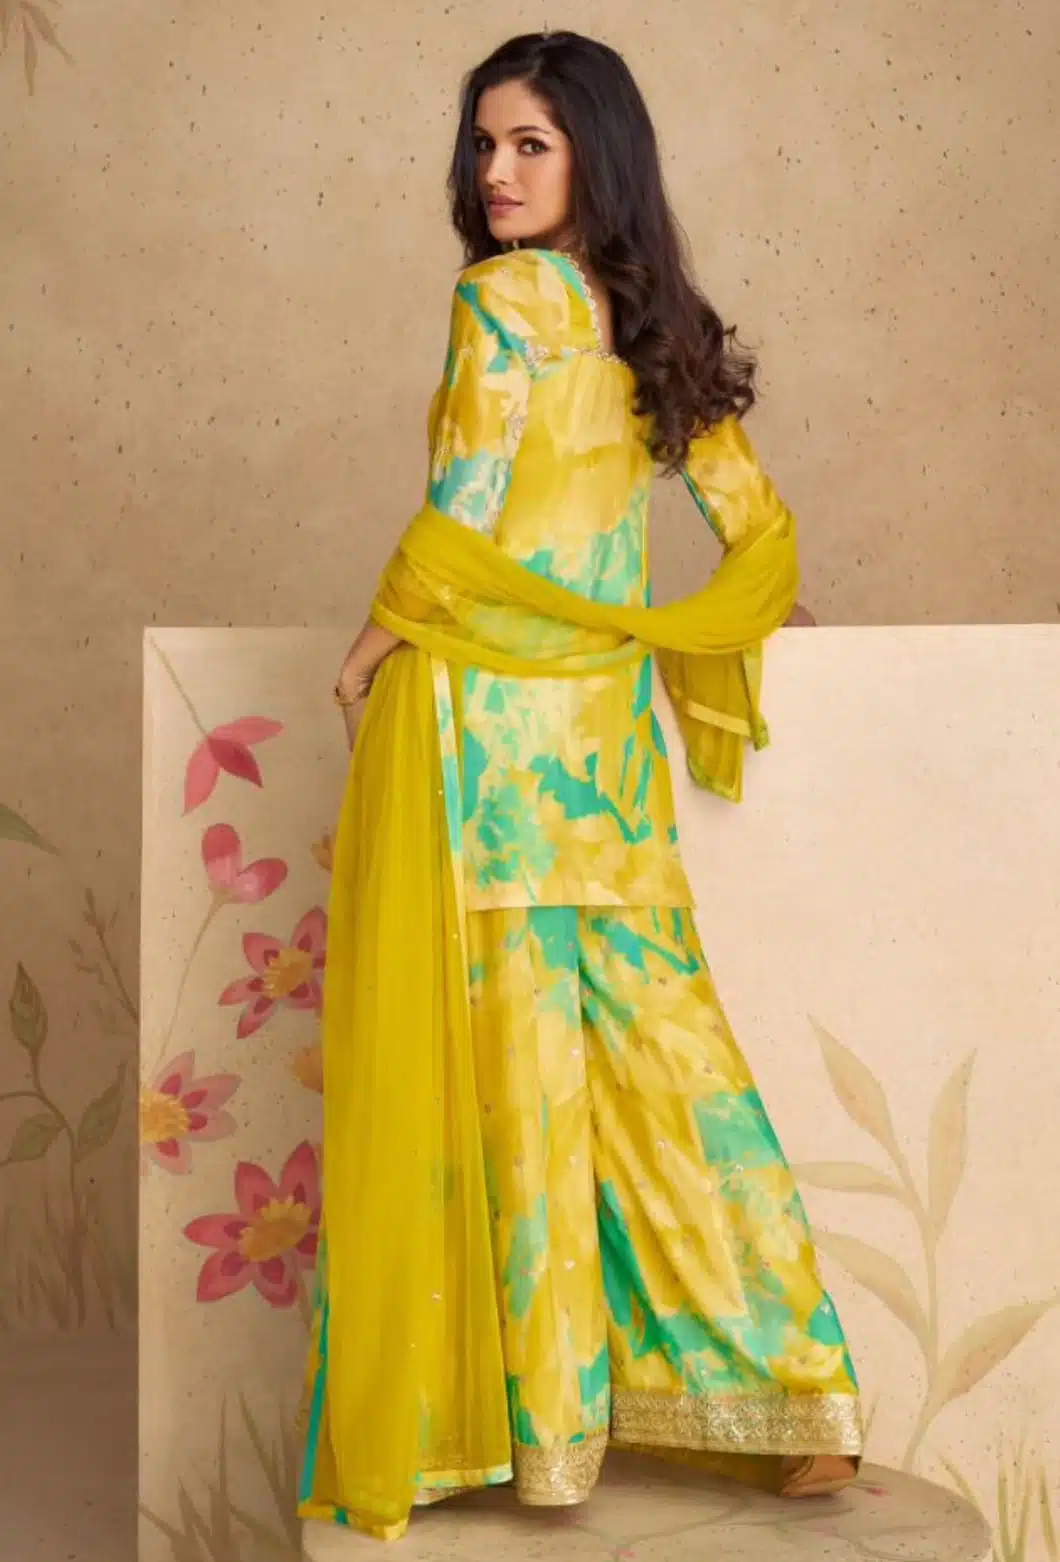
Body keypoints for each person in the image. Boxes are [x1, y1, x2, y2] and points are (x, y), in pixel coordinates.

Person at [299, 29, 860, 1543]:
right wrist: (738, 618)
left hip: (489, 742)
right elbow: (754, 521)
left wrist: (375, 637)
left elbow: (465, 498)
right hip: (605, 764)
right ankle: (797, 1397)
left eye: (530, 144)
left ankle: (553, 1445)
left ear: (595, 155)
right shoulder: (656, 321)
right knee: (677, 1075)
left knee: (530, 1093)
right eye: (484, 144)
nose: (495, 173)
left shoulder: (501, 301)